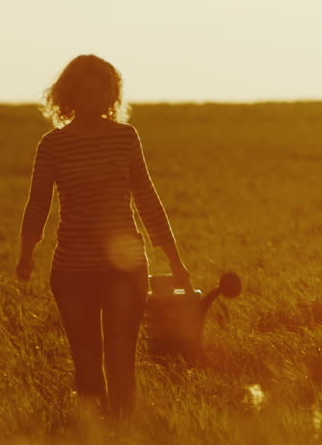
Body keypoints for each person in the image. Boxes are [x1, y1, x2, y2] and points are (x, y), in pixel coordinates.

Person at [17, 55, 193, 417]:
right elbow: (38, 204)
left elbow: (147, 199)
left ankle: (125, 438)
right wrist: (25, 254)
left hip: (124, 270)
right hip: (72, 270)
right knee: (85, 363)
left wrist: (176, 262)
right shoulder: (52, 145)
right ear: (69, 96)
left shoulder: (125, 138)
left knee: (121, 359)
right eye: (85, 93)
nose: (93, 100)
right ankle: (94, 442)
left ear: (110, 96)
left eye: (101, 93)